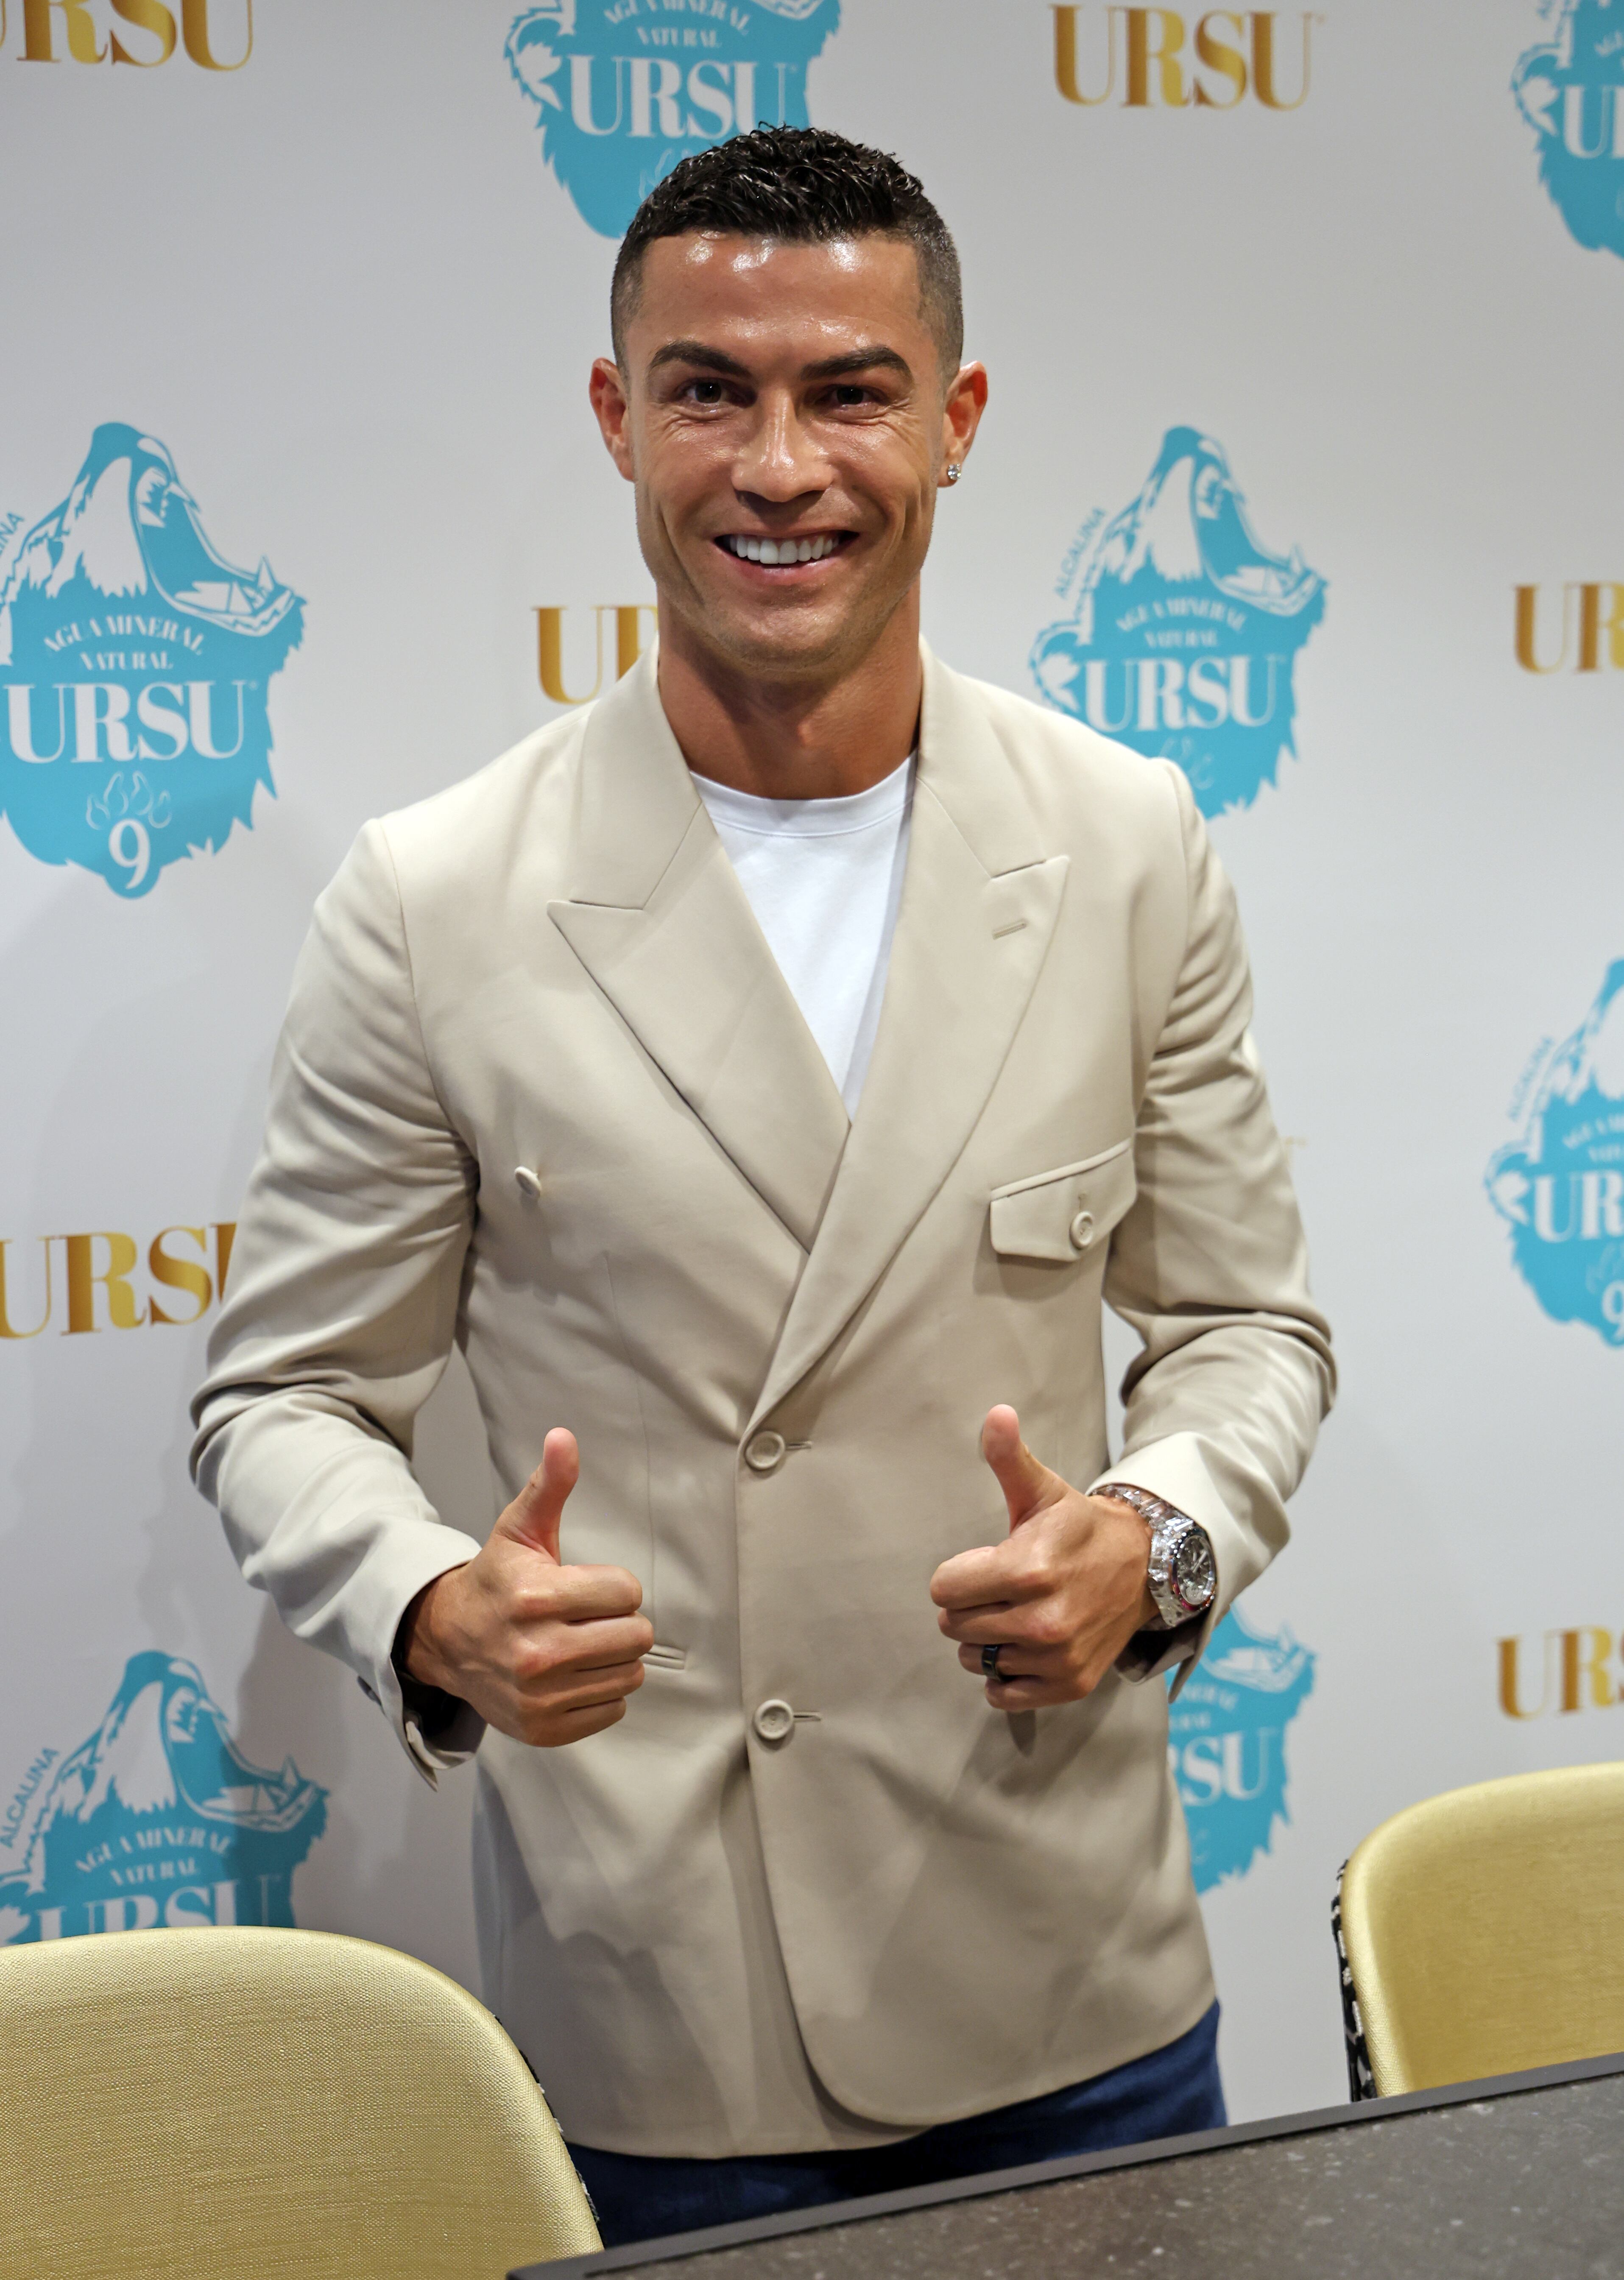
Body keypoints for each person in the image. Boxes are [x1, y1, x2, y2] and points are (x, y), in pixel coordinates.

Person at [192, 127, 1333, 2247]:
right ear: (618, 418)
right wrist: (434, 1605)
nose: (779, 463)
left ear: (956, 421)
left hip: (1073, 1978)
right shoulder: (436, 899)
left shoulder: (1127, 840)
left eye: (850, 390)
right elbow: (278, 1402)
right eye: (709, 388)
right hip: (656, 2012)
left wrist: (1157, 1538)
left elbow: (1248, 1327)